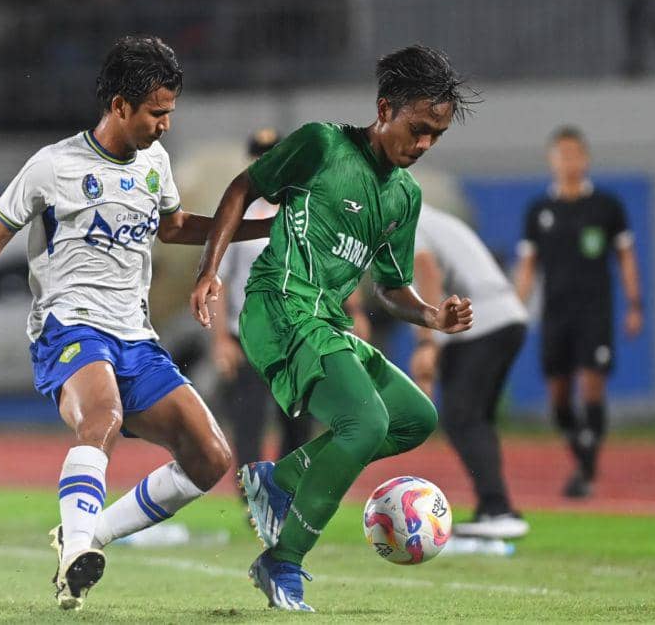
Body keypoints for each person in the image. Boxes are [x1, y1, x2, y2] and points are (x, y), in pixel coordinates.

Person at [0, 36, 272, 610]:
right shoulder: (54, 166)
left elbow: (175, 226)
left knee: (211, 456)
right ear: (119, 105)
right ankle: (80, 542)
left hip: (135, 334)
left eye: (170, 113)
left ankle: (85, 540)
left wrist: (259, 229)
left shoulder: (155, 164)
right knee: (102, 417)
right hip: (70, 326)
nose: (165, 125)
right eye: (156, 113)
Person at [190, 45, 477, 612]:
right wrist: (208, 272)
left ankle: (282, 477)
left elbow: (392, 287)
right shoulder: (322, 145)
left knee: (416, 419)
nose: (422, 145)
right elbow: (241, 189)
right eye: (417, 129)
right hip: (277, 307)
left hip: (324, 321)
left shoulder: (404, 194)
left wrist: (431, 315)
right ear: (383, 108)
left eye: (435, 137)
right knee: (365, 422)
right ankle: (284, 560)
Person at [211, 129, 372, 471]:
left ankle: (285, 491)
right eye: (260, 155)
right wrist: (221, 339)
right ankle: (254, 500)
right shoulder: (237, 213)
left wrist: (354, 311)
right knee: (249, 421)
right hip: (249, 335)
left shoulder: (309, 207)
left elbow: (336, 263)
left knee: (299, 422)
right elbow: (218, 280)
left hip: (299, 334)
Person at [515, 126, 643, 499]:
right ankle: (583, 456)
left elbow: (626, 257)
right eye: (562, 155)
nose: (569, 162)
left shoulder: (606, 206)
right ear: (551, 161)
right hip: (557, 314)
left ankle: (585, 470)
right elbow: (527, 267)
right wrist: (515, 310)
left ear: (585, 159)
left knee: (591, 383)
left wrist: (635, 304)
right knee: (558, 396)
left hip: (595, 311)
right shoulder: (539, 211)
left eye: (575, 154)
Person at [410, 203, 529, 539]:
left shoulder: (402, 214)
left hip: (479, 323)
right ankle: (494, 507)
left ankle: (497, 508)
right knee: (475, 419)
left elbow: (426, 269)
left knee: (463, 417)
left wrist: (427, 343)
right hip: (505, 317)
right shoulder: (436, 217)